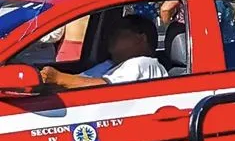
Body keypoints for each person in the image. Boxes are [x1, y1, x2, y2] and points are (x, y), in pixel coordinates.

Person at [35, 12, 167, 89]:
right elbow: (81, 80)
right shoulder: (109, 64)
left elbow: (107, 87)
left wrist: (58, 78)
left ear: (140, 38)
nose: (110, 37)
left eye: (117, 33)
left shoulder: (144, 63)